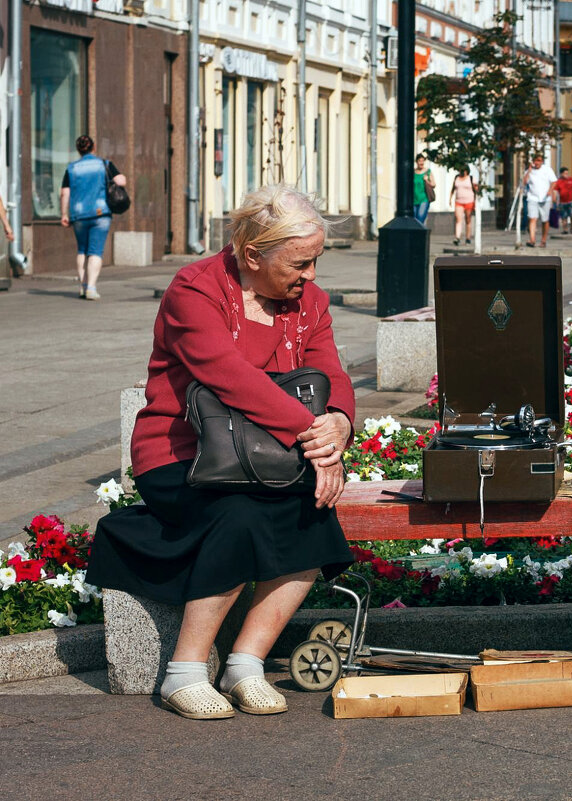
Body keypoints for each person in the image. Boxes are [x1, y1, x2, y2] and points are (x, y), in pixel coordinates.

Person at [86, 185, 356, 720]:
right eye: (300, 263)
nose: (311, 276)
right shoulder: (195, 289)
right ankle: (184, 672)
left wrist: (340, 425)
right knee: (239, 514)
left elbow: (331, 374)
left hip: (272, 453)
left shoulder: (311, 303)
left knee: (315, 516)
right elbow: (228, 378)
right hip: (178, 453)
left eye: (316, 260)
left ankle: (245, 664)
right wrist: (313, 440)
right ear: (253, 254)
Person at [60, 134, 127, 300]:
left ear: (78, 150)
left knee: (82, 249)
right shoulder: (104, 164)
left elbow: (65, 192)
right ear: (94, 147)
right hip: (100, 213)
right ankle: (91, 287)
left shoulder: (72, 168)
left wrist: (64, 214)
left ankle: (83, 286)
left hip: (79, 213)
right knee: (95, 250)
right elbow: (121, 181)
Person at [523, 153, 557, 248]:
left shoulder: (547, 170)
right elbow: (524, 182)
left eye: (539, 161)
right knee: (532, 218)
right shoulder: (529, 171)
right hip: (532, 197)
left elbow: (554, 181)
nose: (537, 163)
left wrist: (550, 191)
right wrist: (529, 171)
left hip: (545, 198)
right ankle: (532, 239)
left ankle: (543, 240)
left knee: (544, 220)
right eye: (535, 161)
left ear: (542, 161)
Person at [449, 167, 477, 245]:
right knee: (458, 220)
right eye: (461, 170)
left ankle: (468, 238)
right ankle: (457, 238)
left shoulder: (471, 178)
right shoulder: (457, 178)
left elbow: (476, 190)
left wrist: (476, 201)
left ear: (467, 171)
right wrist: (450, 199)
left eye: (464, 171)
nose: (463, 172)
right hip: (459, 201)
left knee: (468, 220)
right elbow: (453, 189)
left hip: (469, 201)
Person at [554, 167, 572, 235]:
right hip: (562, 202)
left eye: (567, 173)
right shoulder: (559, 181)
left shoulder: (571, 180)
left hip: (571, 201)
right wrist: (556, 202)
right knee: (564, 217)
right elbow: (556, 192)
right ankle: (565, 229)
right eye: (565, 173)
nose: (566, 175)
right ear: (561, 174)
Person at [413, 154, 435, 224]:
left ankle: (420, 234)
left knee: (420, 219)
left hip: (424, 199)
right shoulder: (412, 172)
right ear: (416, 162)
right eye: (419, 161)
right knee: (414, 220)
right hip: (414, 199)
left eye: (423, 161)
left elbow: (434, 185)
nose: (421, 163)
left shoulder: (427, 172)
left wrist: (426, 180)